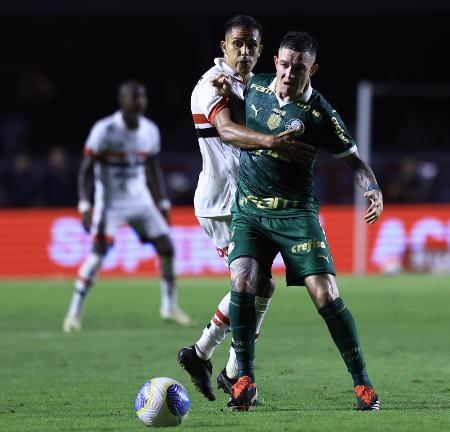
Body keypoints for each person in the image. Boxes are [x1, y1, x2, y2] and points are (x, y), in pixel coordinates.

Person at [213, 31, 383, 411]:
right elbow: (235, 115)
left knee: (326, 294)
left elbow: (354, 161)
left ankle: (363, 385)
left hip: (296, 212)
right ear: (275, 61)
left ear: (313, 69)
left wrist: (372, 189)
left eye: (299, 68)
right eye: (285, 64)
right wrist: (225, 86)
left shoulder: (321, 114)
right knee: (242, 279)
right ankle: (245, 381)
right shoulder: (253, 87)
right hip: (251, 210)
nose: (290, 73)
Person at [177, 16, 315, 401]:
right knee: (248, 284)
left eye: (252, 45)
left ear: (261, 49)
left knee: (263, 285)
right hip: (223, 204)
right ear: (223, 47)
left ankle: (211, 359)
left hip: (249, 202)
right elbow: (227, 130)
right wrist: (273, 142)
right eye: (237, 44)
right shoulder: (210, 85)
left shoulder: (249, 85)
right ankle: (227, 370)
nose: (244, 52)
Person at [63, 80, 193, 332]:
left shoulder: (150, 131)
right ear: (121, 101)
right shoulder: (105, 130)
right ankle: (73, 314)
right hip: (110, 203)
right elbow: (85, 171)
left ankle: (169, 307)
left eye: (142, 97)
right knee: (98, 254)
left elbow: (153, 169)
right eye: (133, 97)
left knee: (167, 247)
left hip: (140, 200)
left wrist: (163, 203)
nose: (138, 102)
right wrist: (84, 206)